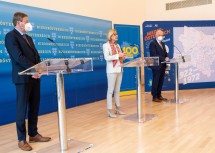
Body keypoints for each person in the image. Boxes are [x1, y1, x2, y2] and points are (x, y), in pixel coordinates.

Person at [5, 12, 51, 151]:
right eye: (27, 21)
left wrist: (39, 69)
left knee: (34, 106)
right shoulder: (10, 36)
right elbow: (18, 57)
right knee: (21, 109)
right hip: (23, 78)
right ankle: (21, 139)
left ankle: (33, 134)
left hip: (34, 77)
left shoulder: (29, 38)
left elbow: (36, 55)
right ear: (19, 23)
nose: (29, 23)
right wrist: (33, 70)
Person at [103, 29, 126, 118]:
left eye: (117, 34)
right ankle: (109, 110)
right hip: (111, 71)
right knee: (110, 91)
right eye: (115, 34)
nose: (116, 36)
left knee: (117, 90)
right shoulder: (106, 45)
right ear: (110, 36)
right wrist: (118, 56)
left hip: (119, 69)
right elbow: (107, 57)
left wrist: (123, 56)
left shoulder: (118, 45)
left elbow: (120, 57)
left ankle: (117, 108)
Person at [149, 29, 170, 102]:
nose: (162, 37)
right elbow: (154, 55)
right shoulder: (153, 43)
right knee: (156, 81)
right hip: (156, 66)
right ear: (157, 35)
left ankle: (159, 95)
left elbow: (165, 53)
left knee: (161, 81)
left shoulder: (163, 44)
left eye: (163, 35)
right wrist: (163, 58)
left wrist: (166, 57)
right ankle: (154, 96)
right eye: (161, 35)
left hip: (163, 65)